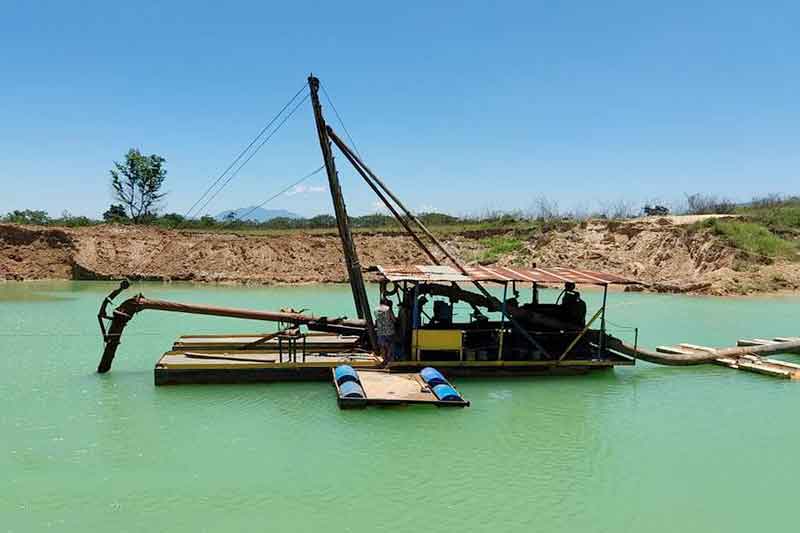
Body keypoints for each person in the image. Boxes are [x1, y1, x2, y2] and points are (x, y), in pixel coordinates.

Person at [374, 298, 397, 364]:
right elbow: (393, 319)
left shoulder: (375, 309)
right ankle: (390, 360)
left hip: (380, 331)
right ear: (385, 302)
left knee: (382, 346)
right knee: (390, 345)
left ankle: (384, 359)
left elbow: (377, 320)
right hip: (389, 331)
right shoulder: (388, 309)